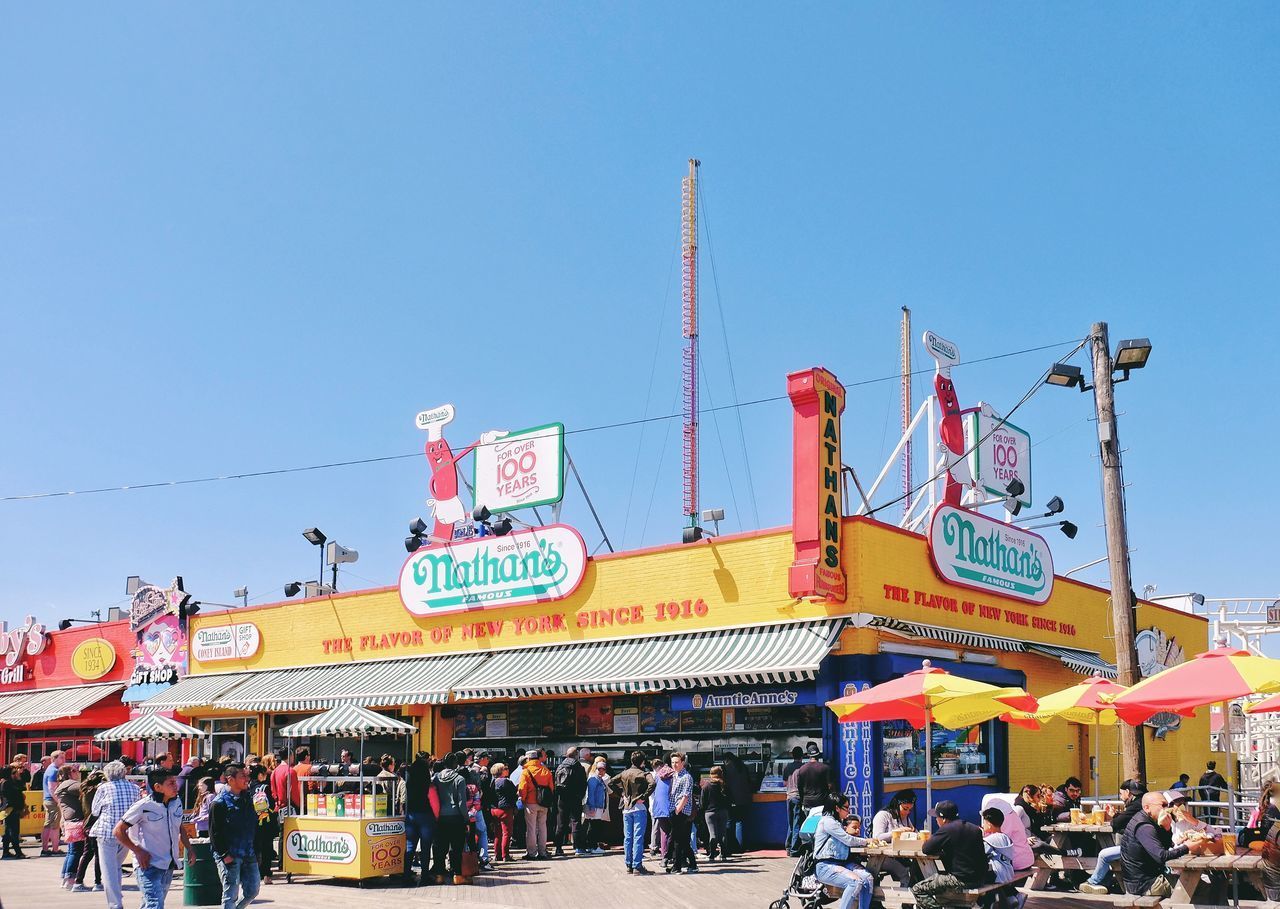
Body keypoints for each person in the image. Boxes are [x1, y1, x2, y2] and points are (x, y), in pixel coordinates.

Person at [115, 767, 192, 909]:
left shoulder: (177, 803)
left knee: (151, 904)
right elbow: (118, 830)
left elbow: (180, 827)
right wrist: (137, 851)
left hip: (168, 864)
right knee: (155, 904)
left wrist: (189, 849)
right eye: (171, 783)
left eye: (175, 782)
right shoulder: (143, 806)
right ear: (158, 787)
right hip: (148, 865)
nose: (176, 786)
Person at [912, 800, 993, 909]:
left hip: (961, 880)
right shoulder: (974, 828)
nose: (936, 820)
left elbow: (926, 849)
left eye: (937, 817)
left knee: (918, 889)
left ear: (944, 819)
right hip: (980, 878)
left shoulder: (947, 829)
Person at [1122, 792, 1205, 897]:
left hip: (1145, 880)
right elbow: (1162, 856)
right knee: (1200, 889)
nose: (1167, 809)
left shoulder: (1148, 820)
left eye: (1168, 805)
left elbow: (1166, 847)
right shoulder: (1144, 827)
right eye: (1163, 805)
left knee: (1203, 884)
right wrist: (1187, 847)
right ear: (1147, 808)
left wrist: (1166, 829)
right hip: (1145, 885)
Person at [1078, 779, 1146, 894]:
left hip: (1138, 848)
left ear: (1128, 792)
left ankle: (1093, 882)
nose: (1121, 796)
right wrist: (1115, 815)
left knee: (1104, 855)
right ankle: (1104, 881)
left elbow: (1116, 824)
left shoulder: (1136, 805)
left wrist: (1114, 818)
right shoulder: (1141, 802)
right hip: (1140, 846)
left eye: (1121, 793)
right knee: (1106, 850)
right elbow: (1125, 821)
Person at [91, 760, 142, 909]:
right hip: (126, 833)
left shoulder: (103, 788)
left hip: (106, 831)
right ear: (124, 773)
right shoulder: (135, 788)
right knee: (117, 867)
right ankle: (117, 898)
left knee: (108, 871)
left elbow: (95, 811)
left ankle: (115, 904)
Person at [210, 763, 260, 909]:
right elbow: (215, 832)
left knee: (253, 891)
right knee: (230, 894)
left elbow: (254, 825)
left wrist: (257, 850)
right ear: (230, 780)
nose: (247, 779)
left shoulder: (249, 798)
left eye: (247, 775)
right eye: (242, 776)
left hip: (248, 852)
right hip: (230, 854)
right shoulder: (219, 803)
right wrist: (225, 855)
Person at [811, 793, 874, 909]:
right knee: (855, 882)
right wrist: (866, 841)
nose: (849, 811)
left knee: (867, 879)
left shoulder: (838, 823)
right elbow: (848, 840)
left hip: (842, 864)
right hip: (825, 866)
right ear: (837, 808)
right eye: (846, 808)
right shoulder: (828, 822)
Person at [611, 750, 655, 874]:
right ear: (642, 761)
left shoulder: (624, 773)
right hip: (639, 808)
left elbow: (610, 782)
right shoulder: (644, 773)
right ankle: (637, 865)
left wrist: (622, 794)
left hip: (626, 808)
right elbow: (653, 784)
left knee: (628, 837)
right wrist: (643, 797)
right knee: (638, 837)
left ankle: (629, 864)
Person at [432, 752, 469, 884]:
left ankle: (439, 875)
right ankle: (457, 875)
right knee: (456, 848)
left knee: (439, 848)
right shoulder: (460, 779)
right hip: (456, 817)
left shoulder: (435, 778)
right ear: (455, 764)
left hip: (439, 817)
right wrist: (466, 819)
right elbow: (461, 803)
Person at [871, 790, 918, 886]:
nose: (907, 812)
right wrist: (897, 832)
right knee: (904, 873)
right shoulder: (883, 815)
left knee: (917, 870)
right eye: (905, 808)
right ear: (897, 804)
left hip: (899, 856)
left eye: (910, 809)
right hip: (882, 857)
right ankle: (906, 899)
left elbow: (914, 832)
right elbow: (877, 837)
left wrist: (915, 833)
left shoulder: (904, 817)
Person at [401, 752, 435, 883]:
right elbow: (427, 790)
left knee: (410, 845)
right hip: (425, 812)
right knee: (426, 847)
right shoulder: (425, 772)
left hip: (411, 813)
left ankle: (406, 875)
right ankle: (425, 876)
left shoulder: (408, 771)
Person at [72, 768, 105, 890]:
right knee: (98, 854)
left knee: (87, 854)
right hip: (95, 824)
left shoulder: (85, 791)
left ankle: (78, 881)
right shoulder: (97, 791)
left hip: (87, 824)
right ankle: (97, 882)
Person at [518, 749, 554, 860]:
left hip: (531, 803)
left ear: (528, 759)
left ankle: (532, 853)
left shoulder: (526, 771)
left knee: (531, 828)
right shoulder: (545, 770)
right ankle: (542, 852)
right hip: (544, 803)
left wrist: (523, 799)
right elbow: (551, 788)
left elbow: (522, 788)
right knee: (543, 827)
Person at [666, 752, 698, 874]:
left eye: (677, 762)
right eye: (672, 762)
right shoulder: (675, 775)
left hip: (681, 811)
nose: (674, 765)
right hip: (674, 809)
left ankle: (677, 866)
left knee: (677, 840)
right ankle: (693, 864)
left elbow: (686, 795)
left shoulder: (686, 777)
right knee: (683, 840)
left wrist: (678, 809)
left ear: (682, 763)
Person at [553, 746, 588, 856]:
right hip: (575, 798)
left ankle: (558, 848)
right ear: (576, 755)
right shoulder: (578, 767)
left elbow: (556, 782)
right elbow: (583, 784)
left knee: (561, 823)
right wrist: (580, 796)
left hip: (562, 798)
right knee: (575, 822)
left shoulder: (560, 766)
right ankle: (578, 848)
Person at [55, 764, 85, 890]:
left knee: (72, 851)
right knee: (76, 851)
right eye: (74, 770)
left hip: (69, 820)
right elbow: (85, 788)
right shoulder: (70, 784)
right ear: (69, 773)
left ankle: (65, 878)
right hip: (75, 820)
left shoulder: (63, 785)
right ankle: (70, 880)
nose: (77, 772)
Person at [721, 752, 757, 855]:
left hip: (732, 800)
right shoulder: (742, 766)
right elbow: (750, 782)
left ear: (727, 760)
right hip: (744, 799)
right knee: (740, 822)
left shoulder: (726, 769)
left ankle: (731, 846)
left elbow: (725, 785)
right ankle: (740, 846)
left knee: (730, 822)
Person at [247, 764, 276, 886]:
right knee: (266, 848)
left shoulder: (247, 788)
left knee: (255, 847)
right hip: (266, 821)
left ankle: (255, 873)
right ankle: (266, 875)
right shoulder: (265, 787)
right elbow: (272, 803)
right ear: (260, 775)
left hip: (252, 822)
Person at [699, 765, 732, 862]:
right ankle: (723, 854)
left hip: (710, 813)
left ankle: (712, 854)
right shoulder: (724, 785)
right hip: (723, 812)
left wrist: (702, 811)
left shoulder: (706, 786)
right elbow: (729, 800)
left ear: (710, 774)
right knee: (722, 833)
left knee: (712, 834)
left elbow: (702, 803)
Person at [794, 746, 838, 815]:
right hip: (822, 803)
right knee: (822, 824)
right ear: (818, 755)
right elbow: (830, 786)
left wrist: (803, 801)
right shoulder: (825, 768)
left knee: (810, 824)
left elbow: (799, 788)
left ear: (808, 755)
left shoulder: (802, 769)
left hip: (807, 803)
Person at [489, 763, 517, 862]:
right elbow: (514, 793)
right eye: (505, 768)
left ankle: (497, 855)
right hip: (505, 809)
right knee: (506, 833)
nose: (507, 770)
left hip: (494, 809)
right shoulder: (505, 781)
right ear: (501, 771)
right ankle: (506, 855)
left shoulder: (492, 782)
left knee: (497, 833)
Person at [583, 757, 611, 854]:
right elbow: (591, 794)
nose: (601, 771)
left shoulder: (599, 779)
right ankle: (592, 846)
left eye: (603, 769)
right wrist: (592, 807)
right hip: (595, 807)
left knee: (595, 826)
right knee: (593, 827)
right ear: (596, 769)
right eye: (599, 769)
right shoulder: (594, 779)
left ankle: (592, 845)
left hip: (599, 806)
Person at [41, 749, 66, 855]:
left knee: (48, 825)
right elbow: (52, 789)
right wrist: (59, 801)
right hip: (52, 801)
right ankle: (55, 849)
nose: (64, 759)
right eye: (61, 757)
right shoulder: (54, 770)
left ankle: (45, 848)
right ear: (54, 759)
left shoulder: (51, 769)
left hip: (48, 799)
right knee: (54, 826)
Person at [782, 746, 806, 856]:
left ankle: (788, 846)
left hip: (789, 797)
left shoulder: (787, 767)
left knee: (790, 823)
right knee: (797, 823)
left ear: (792, 755)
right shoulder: (803, 768)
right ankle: (794, 849)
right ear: (802, 756)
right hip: (798, 797)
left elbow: (784, 784)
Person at [1, 766, 27, 858]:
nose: (16, 774)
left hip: (12, 808)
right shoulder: (7, 783)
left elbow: (23, 788)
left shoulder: (9, 782)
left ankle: (6, 852)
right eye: (14, 772)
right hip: (11, 809)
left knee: (8, 832)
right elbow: (18, 791)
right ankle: (18, 852)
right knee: (14, 831)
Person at [268, 747, 300, 823]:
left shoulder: (275, 771)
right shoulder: (291, 771)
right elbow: (294, 792)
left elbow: (273, 790)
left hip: (279, 806)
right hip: (290, 807)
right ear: (290, 756)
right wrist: (299, 805)